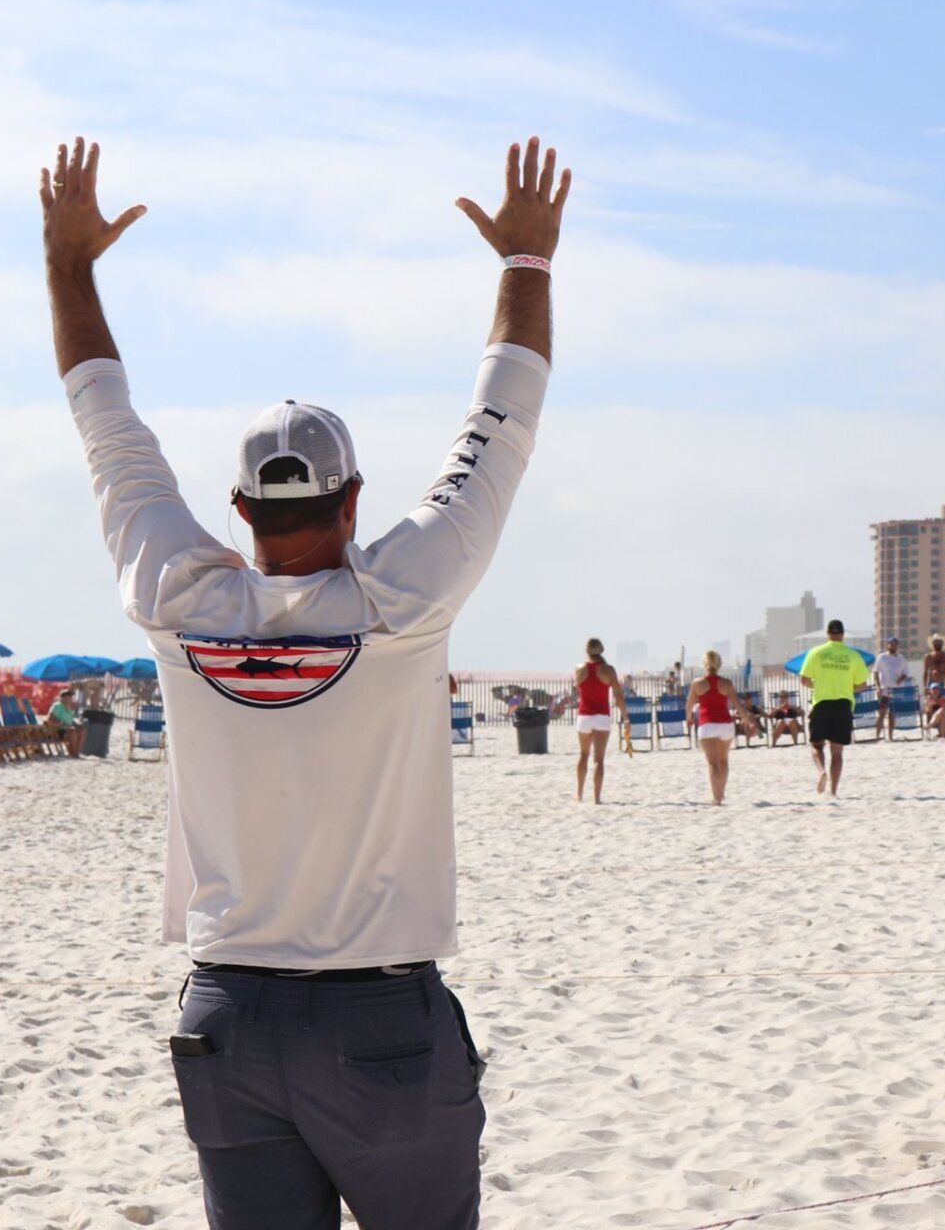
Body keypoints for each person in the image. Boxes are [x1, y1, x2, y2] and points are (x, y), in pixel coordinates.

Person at [44, 132, 566, 1228]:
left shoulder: (180, 603)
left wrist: (69, 266)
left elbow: (107, 427)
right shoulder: (400, 605)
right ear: (354, 499)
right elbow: (498, 428)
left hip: (228, 1016)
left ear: (239, 510)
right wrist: (526, 266)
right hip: (379, 1023)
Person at [799, 620, 868, 798]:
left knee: (816, 745)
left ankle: (822, 771)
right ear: (843, 635)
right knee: (837, 752)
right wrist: (847, 687)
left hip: (822, 702)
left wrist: (819, 684)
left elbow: (804, 680)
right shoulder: (853, 655)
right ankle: (834, 791)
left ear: (828, 634)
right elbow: (862, 684)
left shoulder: (816, 652)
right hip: (843, 704)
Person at [573, 639, 626, 805]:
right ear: (601, 650)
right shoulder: (608, 670)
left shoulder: (579, 669)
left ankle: (579, 793)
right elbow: (618, 696)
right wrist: (626, 718)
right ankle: (596, 798)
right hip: (601, 716)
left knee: (583, 755)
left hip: (584, 716)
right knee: (598, 759)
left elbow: (578, 691)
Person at [688, 651, 737, 804]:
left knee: (712, 763)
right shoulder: (726, 683)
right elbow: (737, 704)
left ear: (704, 664)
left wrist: (689, 719)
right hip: (726, 725)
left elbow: (689, 705)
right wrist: (749, 720)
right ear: (719, 663)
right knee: (723, 761)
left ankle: (716, 797)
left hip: (707, 724)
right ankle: (721, 792)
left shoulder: (697, 683)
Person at [870, 636, 911, 740]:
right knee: (882, 713)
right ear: (887, 645)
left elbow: (906, 673)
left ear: (897, 646)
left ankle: (890, 736)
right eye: (891, 644)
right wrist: (878, 687)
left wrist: (900, 679)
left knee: (892, 714)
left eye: (895, 644)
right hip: (885, 689)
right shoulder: (882, 657)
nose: (892, 646)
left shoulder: (901, 658)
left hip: (896, 690)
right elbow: (875, 672)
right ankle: (877, 735)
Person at [44, 688, 84, 756]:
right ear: (63, 698)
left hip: (67, 729)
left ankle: (76, 753)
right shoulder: (57, 706)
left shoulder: (69, 707)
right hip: (57, 731)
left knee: (82, 731)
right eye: (69, 696)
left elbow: (70, 720)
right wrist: (62, 724)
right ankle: (74, 754)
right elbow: (49, 719)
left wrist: (76, 724)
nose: (70, 698)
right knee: (73, 733)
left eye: (71, 696)